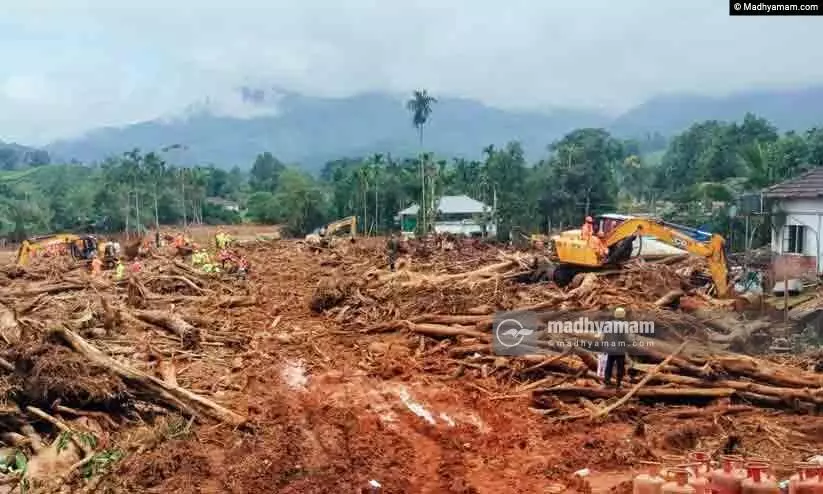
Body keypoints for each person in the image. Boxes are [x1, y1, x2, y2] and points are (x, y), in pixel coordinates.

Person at [603, 307, 630, 388]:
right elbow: (626, 338)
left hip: (610, 348)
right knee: (620, 366)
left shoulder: (608, 324)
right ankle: (618, 384)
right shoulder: (624, 325)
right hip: (619, 349)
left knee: (609, 364)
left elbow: (604, 336)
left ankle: (607, 381)